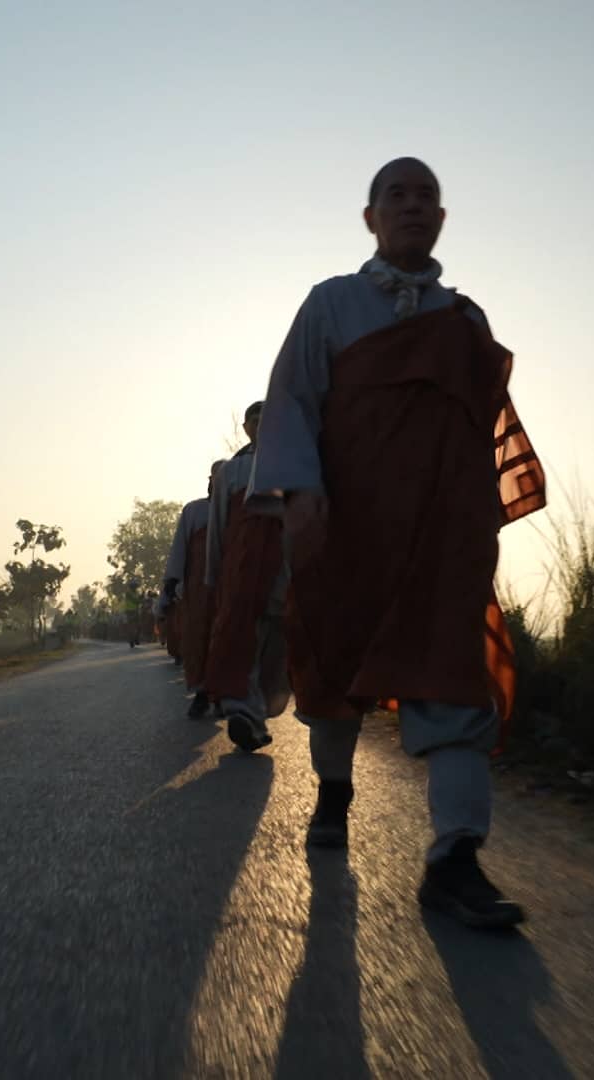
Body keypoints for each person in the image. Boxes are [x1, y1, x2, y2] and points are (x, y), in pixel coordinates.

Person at [248, 157, 546, 929]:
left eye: (427, 198)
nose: (413, 207)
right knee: (335, 674)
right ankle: (335, 792)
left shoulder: (465, 321)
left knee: (452, 677)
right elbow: (293, 401)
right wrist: (302, 495)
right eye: (398, 196)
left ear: (441, 220)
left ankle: (455, 860)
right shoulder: (332, 304)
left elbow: (483, 429)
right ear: (371, 217)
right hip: (349, 530)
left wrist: (478, 519)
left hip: (443, 540)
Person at [202, 401, 287, 753]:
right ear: (247, 428)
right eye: (255, 420)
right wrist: (214, 572)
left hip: (283, 564)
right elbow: (217, 526)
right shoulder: (231, 472)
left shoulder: (295, 460)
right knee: (242, 638)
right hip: (241, 568)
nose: (260, 425)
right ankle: (244, 712)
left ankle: (257, 714)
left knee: (275, 641)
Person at [162, 465, 221, 717]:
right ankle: (200, 694)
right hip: (197, 591)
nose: (212, 483)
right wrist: (171, 582)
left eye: (218, 479)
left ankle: (225, 696)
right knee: (197, 640)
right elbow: (179, 549)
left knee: (225, 639)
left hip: (227, 588)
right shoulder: (194, 510)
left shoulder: (238, 510)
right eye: (211, 478)